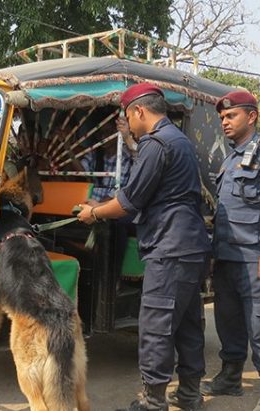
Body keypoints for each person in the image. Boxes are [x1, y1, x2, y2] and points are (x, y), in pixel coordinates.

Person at [77, 83, 212, 411]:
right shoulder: (178, 139)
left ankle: (153, 402)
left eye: (128, 117)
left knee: (156, 325)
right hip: (190, 245)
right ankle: (189, 394)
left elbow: (130, 201)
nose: (128, 125)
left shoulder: (156, 143)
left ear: (139, 111)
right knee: (187, 323)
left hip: (170, 247)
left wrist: (94, 213)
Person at [199, 90, 260, 411]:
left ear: (251, 116)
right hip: (227, 255)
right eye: (222, 117)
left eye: (231, 115)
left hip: (256, 256)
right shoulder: (230, 158)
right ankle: (231, 376)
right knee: (227, 319)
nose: (225, 122)